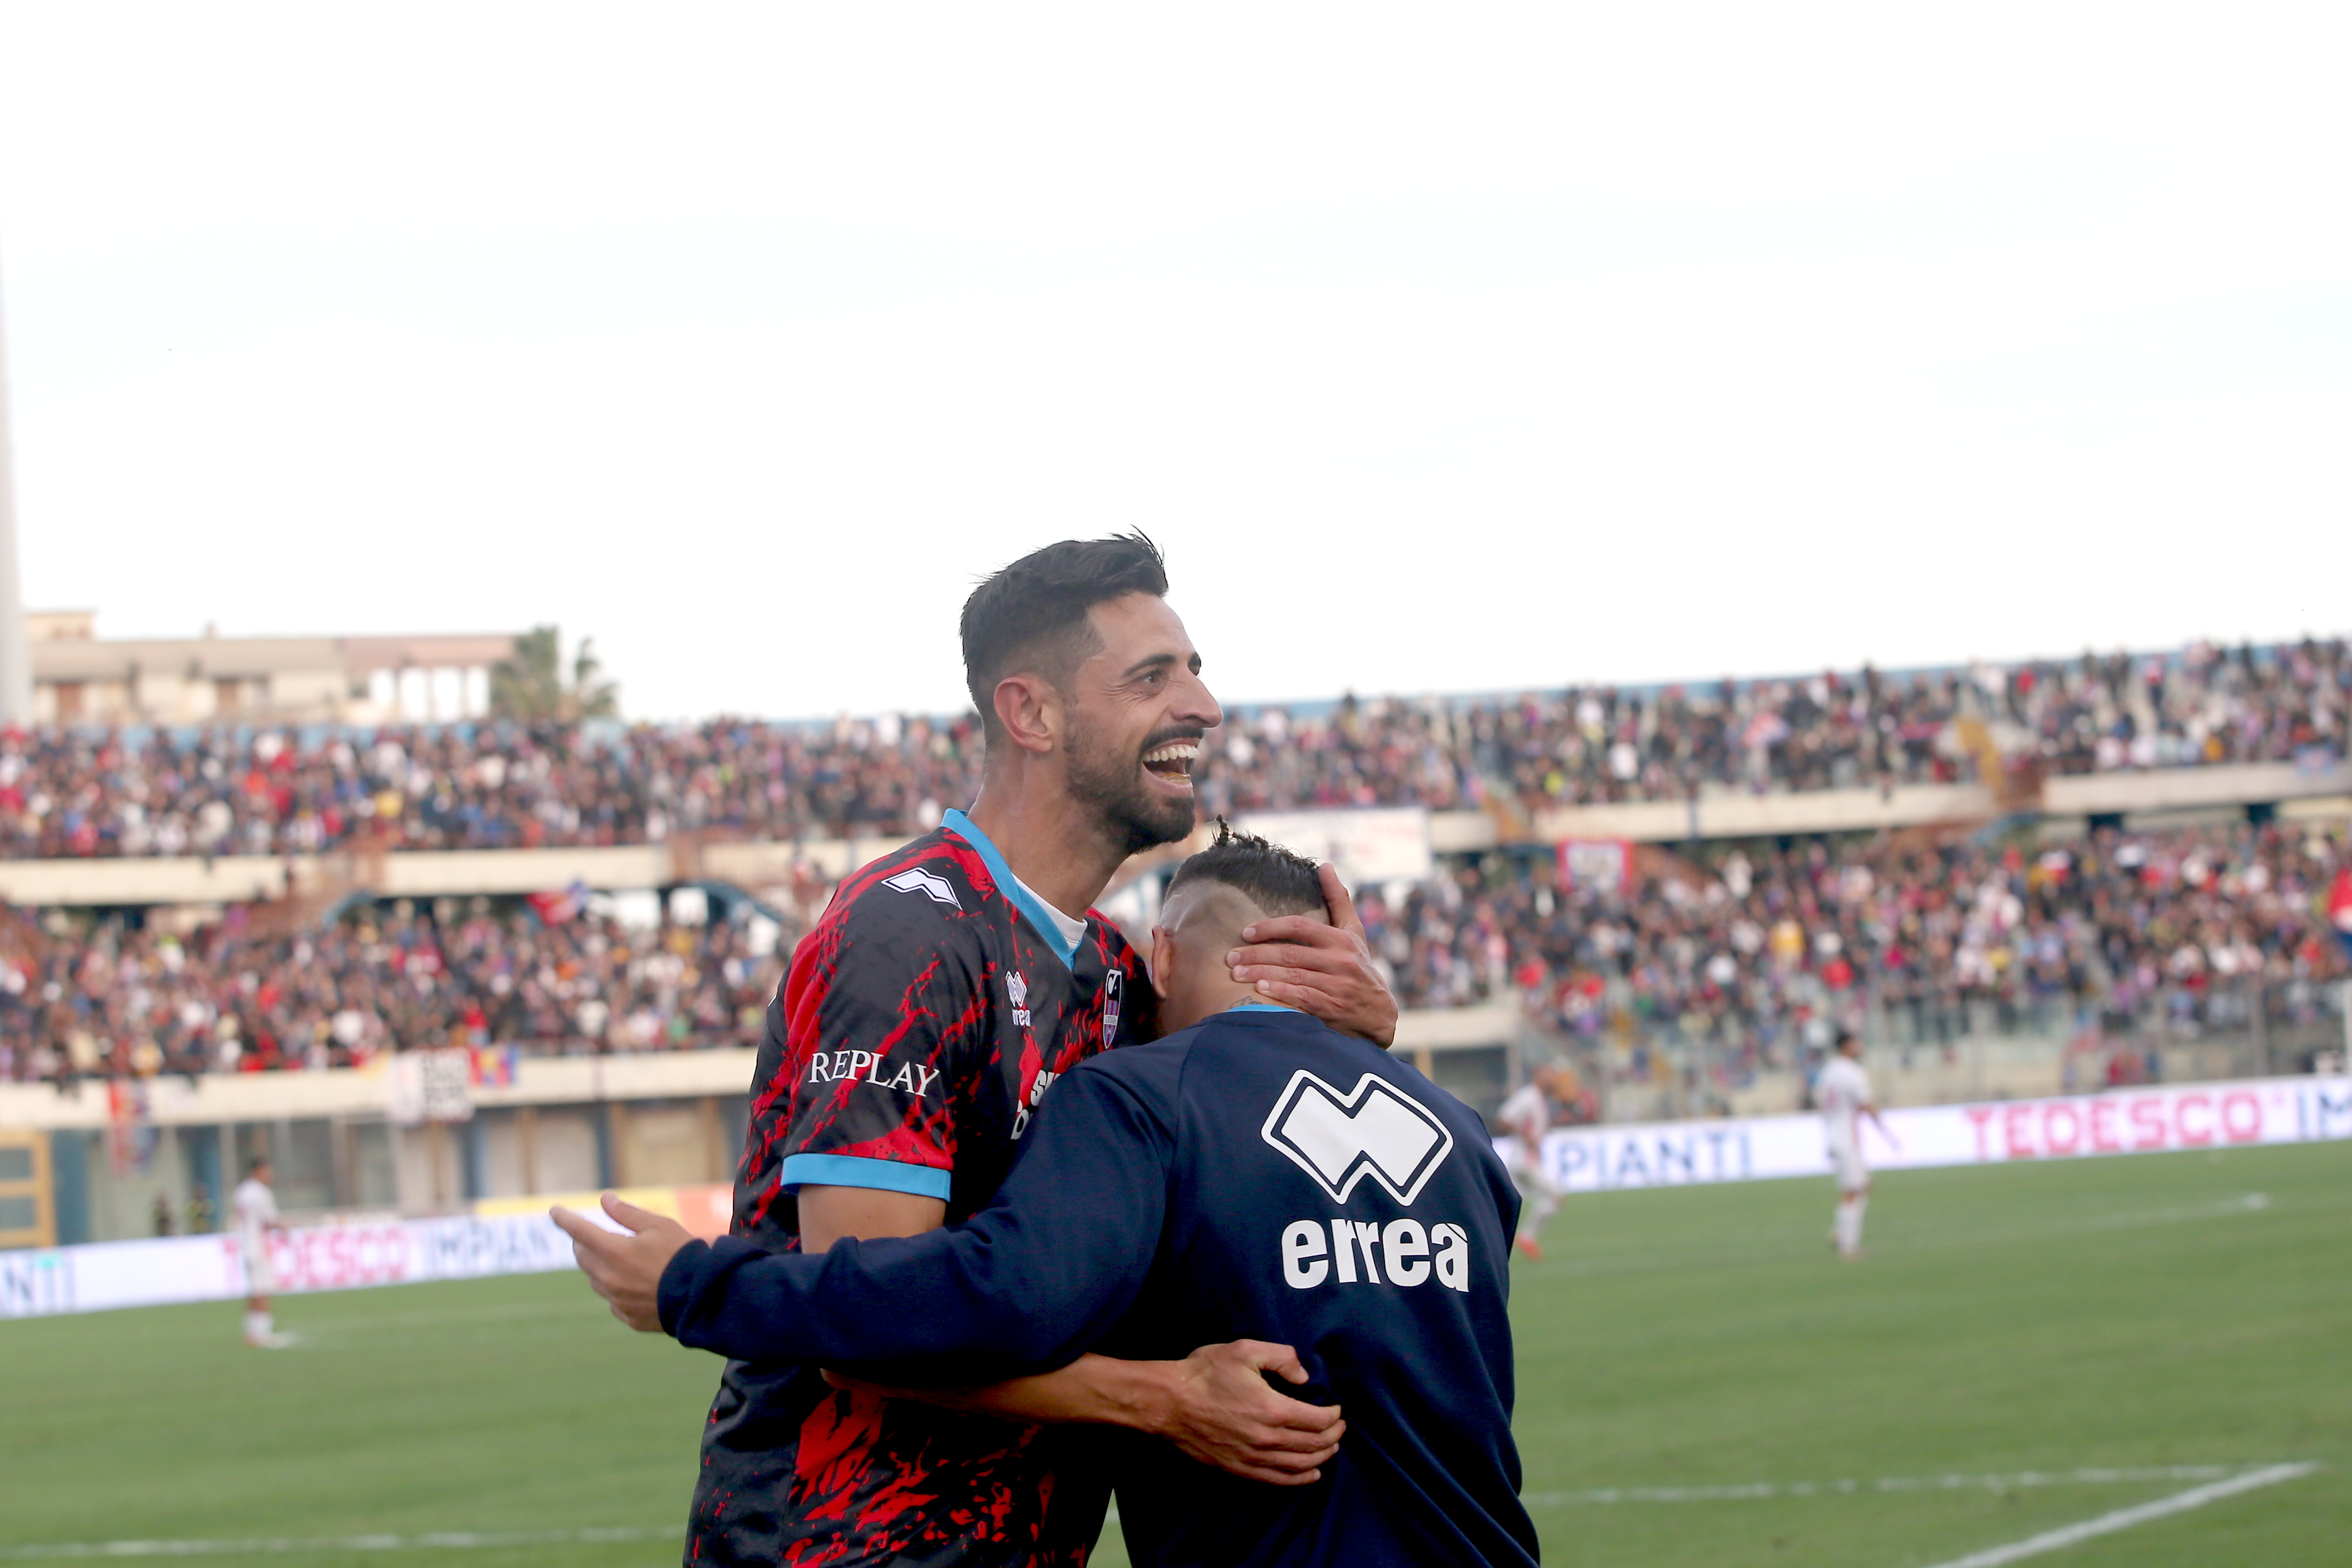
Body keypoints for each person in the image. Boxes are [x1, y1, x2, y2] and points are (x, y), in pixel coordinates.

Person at [646, 536, 1400, 1567]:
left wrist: (1363, 1029)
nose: (1203, 705)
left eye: (1193, 668)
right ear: (1031, 712)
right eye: (1152, 676)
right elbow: (864, 1321)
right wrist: (1166, 1399)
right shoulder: (907, 935)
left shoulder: (1112, 968)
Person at [559, 828, 1537, 1567]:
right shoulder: (1459, 1131)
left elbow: (981, 1302)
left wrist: (697, 1284)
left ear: (1159, 957)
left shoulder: (1145, 1093)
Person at [1816, 1028, 1891, 1258]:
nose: (1860, 1047)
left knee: (1862, 1185)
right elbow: (1865, 1102)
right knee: (1854, 1189)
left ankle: (1841, 1232)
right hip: (1847, 1137)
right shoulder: (1853, 1073)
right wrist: (1885, 1130)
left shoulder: (1828, 1071)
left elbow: (1821, 1101)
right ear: (1847, 1046)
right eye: (1857, 1043)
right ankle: (1848, 1247)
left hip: (1832, 1134)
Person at [1495, 1064, 1567, 1260]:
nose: (1552, 1080)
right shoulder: (1528, 1096)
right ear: (1538, 1076)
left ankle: (1494, 1241)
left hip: (1526, 1160)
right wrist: (1526, 1137)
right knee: (1555, 1195)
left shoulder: (1540, 1099)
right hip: (1524, 1161)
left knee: (1507, 1204)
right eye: (1549, 1075)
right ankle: (1526, 1237)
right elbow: (1504, 1119)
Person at [231, 1156, 291, 1347]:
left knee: (254, 1289)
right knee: (263, 1289)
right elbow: (269, 1221)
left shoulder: (242, 1191)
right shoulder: (260, 1193)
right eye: (268, 1170)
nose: (270, 1175)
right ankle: (263, 1333)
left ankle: (251, 1332)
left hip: (246, 1244)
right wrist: (285, 1228)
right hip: (258, 1246)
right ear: (259, 1171)